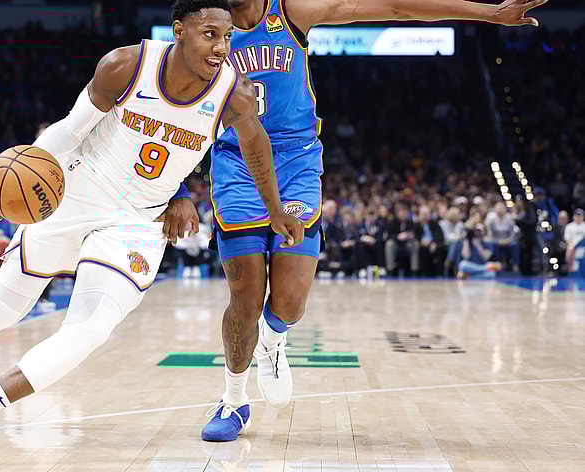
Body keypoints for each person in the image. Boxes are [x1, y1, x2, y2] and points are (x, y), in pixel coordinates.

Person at [0, 0, 301, 472]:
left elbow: (255, 143)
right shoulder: (126, 66)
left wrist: (273, 208)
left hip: (136, 225)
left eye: (225, 36)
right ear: (179, 31)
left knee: (91, 328)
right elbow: (70, 132)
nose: (221, 47)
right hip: (73, 195)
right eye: (208, 34)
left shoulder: (231, 93)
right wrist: (16, 176)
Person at [202, 0, 549, 442]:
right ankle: (233, 400)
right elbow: (169, 99)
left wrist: (488, 14)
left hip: (295, 162)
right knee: (245, 299)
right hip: (236, 164)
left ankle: (272, 341)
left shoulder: (291, 12)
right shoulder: (209, 27)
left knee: (287, 302)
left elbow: (394, 7)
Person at [564, 208, 585, 273]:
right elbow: (567, 238)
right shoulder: (569, 226)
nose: (578, 217)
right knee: (570, 248)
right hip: (573, 246)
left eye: (580, 216)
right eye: (577, 216)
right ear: (573, 216)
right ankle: (570, 270)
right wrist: (574, 246)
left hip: (583, 246)